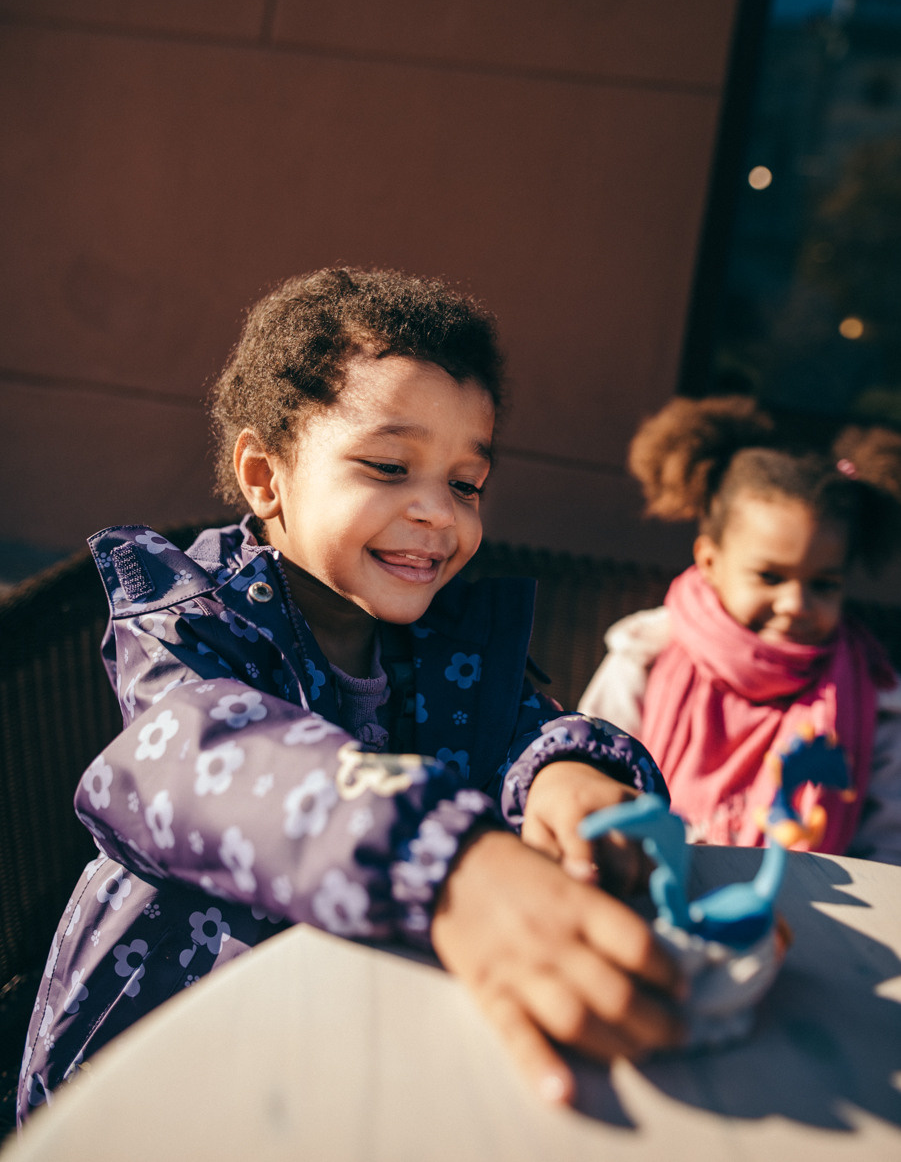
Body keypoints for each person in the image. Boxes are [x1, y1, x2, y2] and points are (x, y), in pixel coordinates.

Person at [19, 267, 684, 1126]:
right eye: (388, 466)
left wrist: (565, 769)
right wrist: (446, 859)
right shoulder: (192, 619)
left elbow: (518, 732)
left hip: (360, 1056)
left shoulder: (446, 641)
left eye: (464, 482)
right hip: (165, 1070)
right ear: (265, 475)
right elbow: (194, 756)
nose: (437, 514)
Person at [578, 395, 901, 862]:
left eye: (824, 584)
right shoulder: (648, 653)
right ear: (710, 561)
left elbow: (889, 848)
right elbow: (592, 772)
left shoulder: (873, 699)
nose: (796, 605)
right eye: (770, 577)